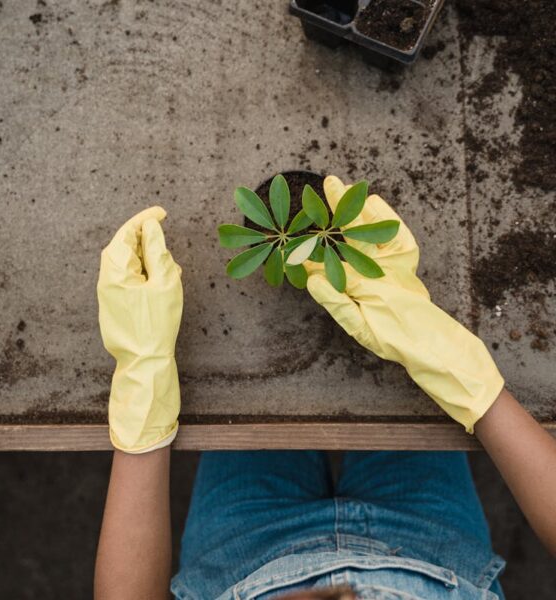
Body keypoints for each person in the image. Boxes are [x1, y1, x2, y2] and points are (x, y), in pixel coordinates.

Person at [93, 177, 556, 600]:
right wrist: (467, 379)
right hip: (431, 543)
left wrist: (143, 386)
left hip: (242, 553)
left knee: (243, 413)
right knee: (407, 401)